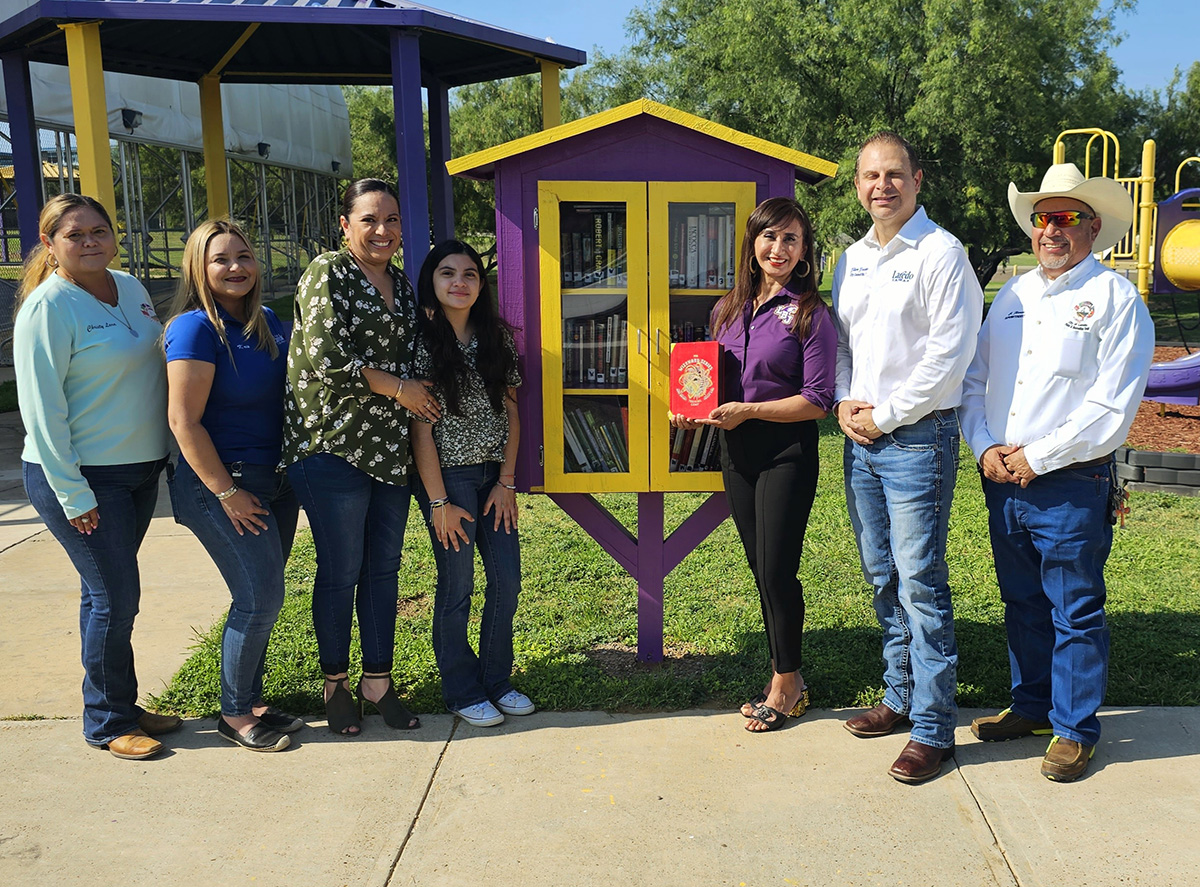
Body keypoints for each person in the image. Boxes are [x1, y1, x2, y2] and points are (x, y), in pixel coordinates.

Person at [961, 163, 1154, 782]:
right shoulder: (1012, 296)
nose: (1051, 230)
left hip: (1070, 480)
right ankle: (1032, 706)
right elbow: (974, 381)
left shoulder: (1117, 299)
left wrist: (1034, 457)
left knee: (1074, 608)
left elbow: (1111, 408)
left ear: (1093, 227)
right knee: (1021, 601)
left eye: (1067, 218)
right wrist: (986, 446)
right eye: (1044, 217)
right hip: (1003, 477)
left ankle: (1074, 729)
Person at [832, 132, 984, 783]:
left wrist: (884, 414)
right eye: (871, 175)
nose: (882, 185)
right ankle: (898, 694)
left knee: (920, 579)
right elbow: (839, 344)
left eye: (894, 174)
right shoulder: (853, 257)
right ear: (859, 185)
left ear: (917, 180)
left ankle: (933, 725)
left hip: (917, 440)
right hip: (859, 442)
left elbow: (949, 355)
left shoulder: (941, 254)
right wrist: (842, 402)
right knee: (880, 574)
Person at [14, 193, 177, 760]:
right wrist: (71, 490)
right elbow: (41, 410)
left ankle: (121, 702)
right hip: (83, 478)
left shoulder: (129, 288)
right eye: (75, 234)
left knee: (103, 593)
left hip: (137, 471)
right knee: (115, 597)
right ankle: (107, 721)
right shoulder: (48, 308)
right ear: (49, 244)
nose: (90, 242)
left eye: (99, 231)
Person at [671, 197, 836, 733]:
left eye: (791, 239)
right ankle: (784, 673)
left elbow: (818, 400)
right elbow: (711, 380)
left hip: (786, 451)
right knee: (760, 569)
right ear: (753, 243)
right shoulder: (726, 310)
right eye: (770, 237)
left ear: (805, 250)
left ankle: (786, 684)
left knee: (776, 568)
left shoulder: (811, 314)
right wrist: (693, 409)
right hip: (735, 453)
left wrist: (750, 411)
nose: (779, 248)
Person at [282, 178, 438, 736]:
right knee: (341, 570)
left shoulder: (398, 281)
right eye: (370, 220)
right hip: (332, 447)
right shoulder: (328, 272)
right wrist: (400, 389)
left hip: (391, 451)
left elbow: (421, 356)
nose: (383, 230)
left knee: (383, 571)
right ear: (345, 226)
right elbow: (327, 359)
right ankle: (335, 684)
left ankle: (378, 680)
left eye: (392, 219)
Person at [163, 219, 304, 753]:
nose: (236, 267)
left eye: (244, 255)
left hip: (274, 481)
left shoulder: (268, 322)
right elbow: (184, 421)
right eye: (220, 258)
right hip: (221, 486)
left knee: (259, 595)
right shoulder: (194, 329)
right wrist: (226, 492)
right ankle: (235, 714)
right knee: (259, 596)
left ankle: (253, 698)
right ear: (198, 268)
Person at [409, 240, 534, 728]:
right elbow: (421, 428)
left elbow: (512, 412)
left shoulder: (496, 339)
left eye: (470, 274)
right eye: (447, 273)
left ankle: (497, 681)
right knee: (457, 585)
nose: (459, 282)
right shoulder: (421, 341)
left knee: (508, 581)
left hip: (493, 478)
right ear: (432, 283)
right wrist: (438, 501)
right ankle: (461, 690)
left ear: (482, 285)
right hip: (450, 481)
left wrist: (507, 481)